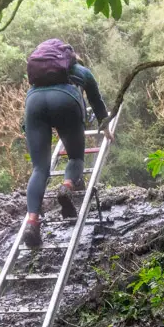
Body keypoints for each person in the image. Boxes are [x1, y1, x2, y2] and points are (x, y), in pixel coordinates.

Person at [22, 39, 113, 248]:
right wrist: (105, 125)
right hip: (65, 101)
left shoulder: (38, 78)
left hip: (34, 103)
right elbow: (96, 101)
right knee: (75, 157)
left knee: (39, 168)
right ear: (70, 58)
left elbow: (32, 111)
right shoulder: (82, 72)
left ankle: (32, 222)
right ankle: (66, 186)